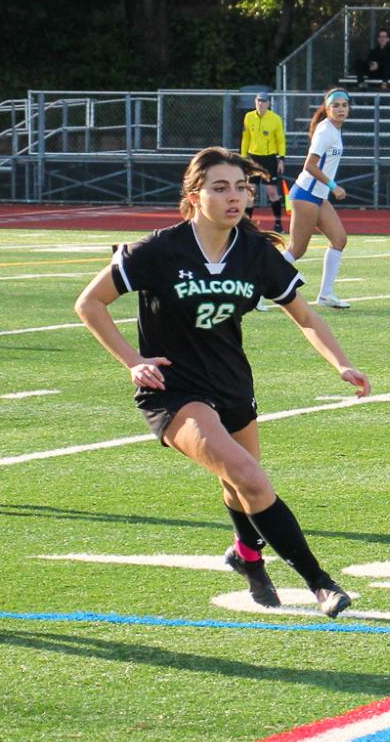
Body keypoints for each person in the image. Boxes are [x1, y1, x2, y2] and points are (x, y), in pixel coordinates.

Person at [74, 147, 368, 616]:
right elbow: (89, 304)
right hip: (173, 389)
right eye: (220, 188)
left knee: (239, 485)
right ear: (193, 196)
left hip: (232, 382)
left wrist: (341, 364)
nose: (235, 197)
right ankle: (321, 583)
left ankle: (247, 556)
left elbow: (306, 316)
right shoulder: (159, 250)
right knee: (250, 475)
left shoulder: (255, 253)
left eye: (241, 188)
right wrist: (133, 361)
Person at [283, 88, 352, 308]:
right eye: (336, 105)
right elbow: (309, 165)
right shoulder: (325, 131)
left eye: (344, 105)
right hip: (306, 194)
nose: (341, 109)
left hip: (318, 196)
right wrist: (334, 186)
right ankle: (256, 289)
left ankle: (326, 294)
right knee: (297, 249)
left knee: (339, 239)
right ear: (327, 108)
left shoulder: (335, 129)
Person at [240, 92, 288, 228]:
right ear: (255, 102)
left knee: (272, 191)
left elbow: (280, 141)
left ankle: (278, 223)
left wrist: (281, 159)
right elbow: (246, 138)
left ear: (269, 104)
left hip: (269, 159)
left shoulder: (275, 119)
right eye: (258, 101)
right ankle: (247, 223)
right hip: (253, 159)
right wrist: (243, 158)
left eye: (264, 101)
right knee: (250, 191)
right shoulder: (248, 117)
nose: (260, 104)